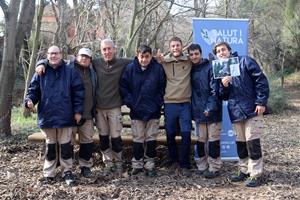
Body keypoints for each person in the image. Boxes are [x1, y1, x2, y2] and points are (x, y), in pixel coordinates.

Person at [25, 45, 84, 185]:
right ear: (47, 55)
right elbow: (33, 90)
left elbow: (79, 93)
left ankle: (67, 171)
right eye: (51, 53)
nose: (53, 56)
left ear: (61, 54)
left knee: (65, 146)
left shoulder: (70, 71)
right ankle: (48, 174)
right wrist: (30, 100)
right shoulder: (40, 72)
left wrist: (78, 111)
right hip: (48, 115)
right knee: (50, 147)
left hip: (66, 116)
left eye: (56, 53)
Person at [35, 48, 97, 178]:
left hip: (86, 113)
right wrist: (40, 63)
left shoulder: (94, 70)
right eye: (81, 56)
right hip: (69, 115)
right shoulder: (69, 67)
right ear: (76, 57)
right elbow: (51, 60)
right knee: (66, 143)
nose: (84, 59)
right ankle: (64, 169)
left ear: (91, 59)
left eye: (87, 57)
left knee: (87, 142)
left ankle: (84, 167)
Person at [215, 42, 269, 187]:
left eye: (223, 49)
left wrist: (261, 102)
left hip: (252, 109)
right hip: (235, 112)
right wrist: (224, 85)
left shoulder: (245, 61)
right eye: (218, 51)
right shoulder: (221, 70)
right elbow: (223, 96)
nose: (221, 53)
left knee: (252, 142)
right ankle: (244, 170)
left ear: (229, 50)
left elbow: (261, 81)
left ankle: (256, 174)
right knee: (241, 143)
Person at [119, 44, 166, 177]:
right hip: (136, 110)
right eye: (142, 57)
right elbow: (124, 87)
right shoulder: (130, 69)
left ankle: (150, 165)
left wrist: (157, 103)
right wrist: (131, 103)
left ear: (151, 56)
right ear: (137, 55)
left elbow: (162, 87)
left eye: (147, 57)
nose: (144, 59)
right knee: (138, 139)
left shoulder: (157, 68)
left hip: (153, 110)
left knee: (151, 139)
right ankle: (137, 165)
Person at [92, 38, 131, 176]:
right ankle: (108, 163)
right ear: (101, 51)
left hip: (114, 107)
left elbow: (142, 60)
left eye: (109, 48)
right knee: (103, 137)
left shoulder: (123, 63)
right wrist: (42, 63)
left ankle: (119, 162)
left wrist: (160, 59)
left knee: (115, 137)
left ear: (114, 49)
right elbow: (76, 63)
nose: (107, 51)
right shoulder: (95, 63)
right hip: (99, 107)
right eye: (104, 49)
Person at [157, 36, 193, 177]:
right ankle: (173, 161)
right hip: (170, 103)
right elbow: (147, 62)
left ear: (182, 46)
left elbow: (201, 60)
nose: (175, 48)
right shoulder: (164, 61)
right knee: (170, 134)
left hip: (185, 103)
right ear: (170, 47)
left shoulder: (189, 60)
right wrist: (157, 59)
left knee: (186, 134)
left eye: (178, 45)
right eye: (173, 46)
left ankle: (185, 164)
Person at [188, 44, 222, 179]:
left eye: (196, 54)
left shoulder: (211, 67)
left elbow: (215, 90)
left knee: (213, 141)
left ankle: (214, 167)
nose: (194, 57)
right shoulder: (189, 69)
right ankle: (202, 166)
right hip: (197, 112)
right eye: (191, 54)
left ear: (200, 53)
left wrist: (210, 108)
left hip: (212, 111)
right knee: (201, 141)